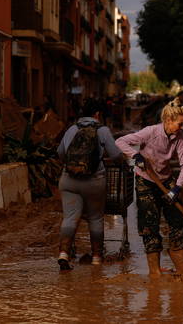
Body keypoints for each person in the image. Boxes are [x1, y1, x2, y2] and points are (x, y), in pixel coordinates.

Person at [115, 99, 183, 277]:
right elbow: (120, 141)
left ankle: (180, 261)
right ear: (168, 120)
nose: (182, 128)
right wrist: (136, 155)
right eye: (180, 124)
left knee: (178, 220)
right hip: (145, 180)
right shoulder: (150, 132)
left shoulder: (179, 137)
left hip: (166, 180)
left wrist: (177, 188)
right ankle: (155, 270)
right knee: (149, 223)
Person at [56, 101, 122, 271]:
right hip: (94, 182)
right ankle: (96, 258)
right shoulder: (103, 130)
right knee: (95, 218)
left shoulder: (71, 129)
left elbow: (60, 153)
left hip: (69, 180)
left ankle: (63, 254)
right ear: (97, 114)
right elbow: (115, 155)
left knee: (70, 217)